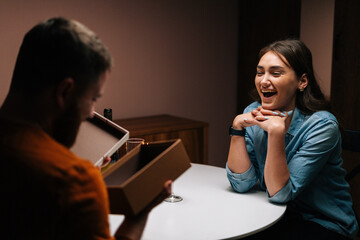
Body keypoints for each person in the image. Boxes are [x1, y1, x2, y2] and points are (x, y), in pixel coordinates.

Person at [0, 17, 171, 240]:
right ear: (65, 92)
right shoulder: (73, 180)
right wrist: (139, 213)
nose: (91, 113)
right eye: (92, 98)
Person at [226, 39, 358, 239]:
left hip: (324, 223)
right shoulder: (252, 113)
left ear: (302, 82)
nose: (264, 80)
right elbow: (241, 185)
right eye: (260, 72)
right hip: (273, 215)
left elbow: (280, 194)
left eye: (276, 73)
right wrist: (237, 128)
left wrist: (276, 134)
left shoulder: (322, 126)